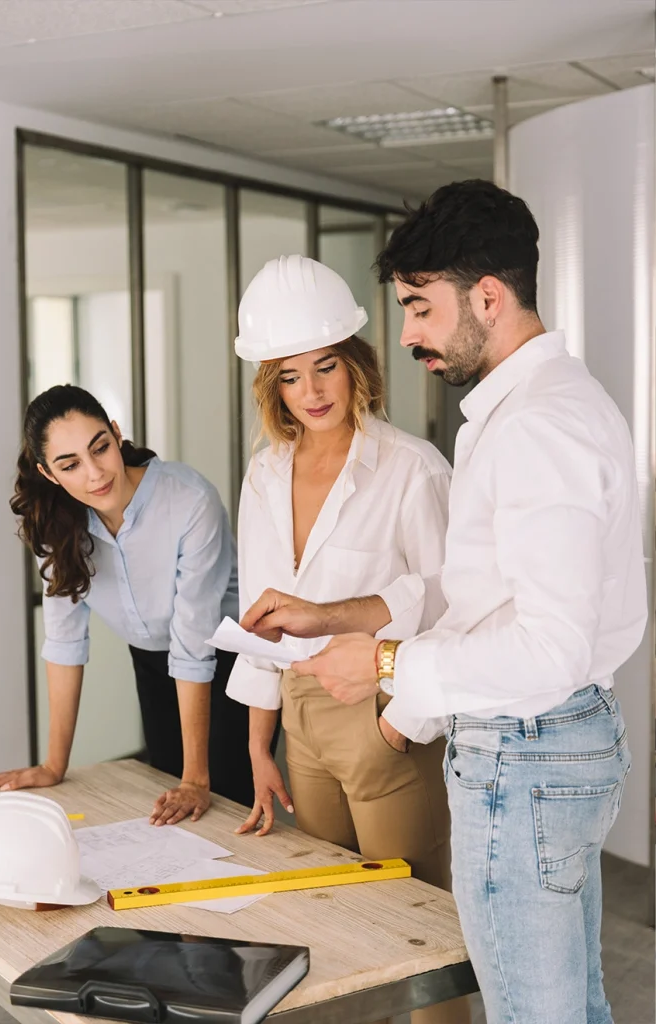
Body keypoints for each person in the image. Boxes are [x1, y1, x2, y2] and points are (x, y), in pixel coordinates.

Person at [240, 184, 648, 1024]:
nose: (407, 334)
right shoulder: (536, 409)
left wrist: (387, 666)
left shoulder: (536, 427)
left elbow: (548, 644)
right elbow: (476, 592)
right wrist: (341, 617)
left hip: (524, 754)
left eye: (420, 308)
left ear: (487, 298)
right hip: (539, 746)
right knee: (570, 1007)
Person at [228, 255, 468, 1024]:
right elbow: (261, 624)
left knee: (420, 936)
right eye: (291, 377)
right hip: (301, 726)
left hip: (383, 711)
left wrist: (400, 729)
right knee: (332, 929)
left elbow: (448, 606)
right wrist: (258, 747)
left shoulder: (411, 468)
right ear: (272, 386)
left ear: (353, 363)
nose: (313, 391)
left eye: (325, 367)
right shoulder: (264, 475)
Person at [0, 384, 270, 823]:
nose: (95, 473)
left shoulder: (188, 500)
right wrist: (55, 765)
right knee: (169, 809)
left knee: (228, 810)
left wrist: (196, 778)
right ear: (49, 474)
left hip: (229, 662)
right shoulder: (54, 521)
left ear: (116, 434)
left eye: (100, 448)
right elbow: (64, 642)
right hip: (152, 662)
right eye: (70, 464)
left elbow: (193, 643)